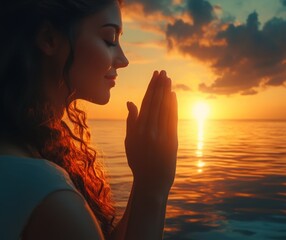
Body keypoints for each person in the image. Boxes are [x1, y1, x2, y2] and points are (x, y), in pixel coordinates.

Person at [0, 0, 178, 239]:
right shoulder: (52, 200)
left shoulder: (20, 151)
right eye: (109, 39)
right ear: (49, 39)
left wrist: (144, 178)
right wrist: (154, 189)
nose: (123, 60)